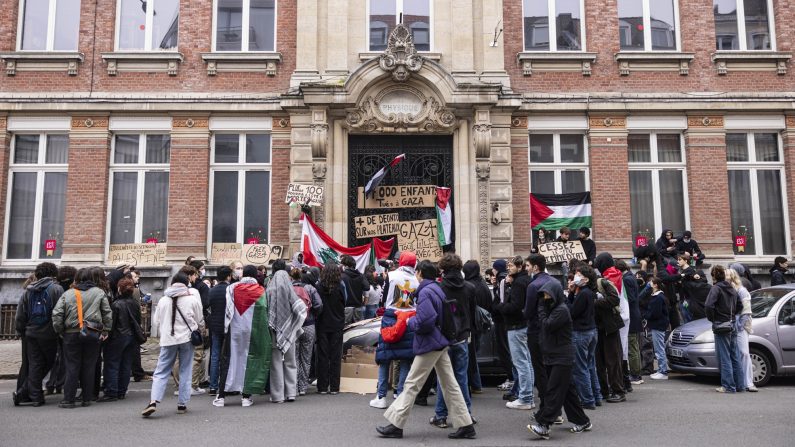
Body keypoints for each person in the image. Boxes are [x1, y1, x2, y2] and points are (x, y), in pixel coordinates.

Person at [377, 260, 476, 440]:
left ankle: (396, 424)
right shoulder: (436, 289)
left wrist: (409, 322)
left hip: (430, 342)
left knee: (412, 383)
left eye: (417, 272)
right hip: (440, 341)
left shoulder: (426, 291)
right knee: (450, 385)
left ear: (420, 273)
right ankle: (466, 424)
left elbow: (425, 320)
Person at [529, 280, 592, 440]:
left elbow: (547, 325)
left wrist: (541, 308)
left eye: (547, 295)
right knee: (568, 393)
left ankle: (544, 425)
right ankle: (582, 421)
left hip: (562, 357)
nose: (544, 298)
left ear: (555, 294)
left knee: (554, 391)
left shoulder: (561, 310)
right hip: (553, 356)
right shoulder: (553, 308)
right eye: (543, 295)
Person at [142, 273, 204, 417]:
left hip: (168, 339)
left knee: (161, 370)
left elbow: (156, 321)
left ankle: (153, 401)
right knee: (185, 369)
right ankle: (182, 404)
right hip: (187, 339)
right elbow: (199, 319)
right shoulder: (192, 299)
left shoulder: (163, 300)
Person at [52, 268, 112, 409]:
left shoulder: (68, 294)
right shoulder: (99, 293)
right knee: (89, 366)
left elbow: (57, 314)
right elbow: (107, 313)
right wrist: (106, 329)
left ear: (76, 279)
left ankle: (69, 400)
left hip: (71, 333)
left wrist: (60, 330)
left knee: (72, 366)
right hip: (92, 333)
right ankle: (87, 398)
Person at [430, 254, 476, 429]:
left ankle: (441, 415)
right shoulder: (469, 288)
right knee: (461, 377)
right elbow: (471, 313)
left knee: (444, 378)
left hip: (444, 337)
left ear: (443, 269)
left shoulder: (439, 288)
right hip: (462, 337)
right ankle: (467, 414)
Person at [213, 265, 270, 407]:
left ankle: (221, 396)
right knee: (248, 362)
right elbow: (264, 311)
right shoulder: (261, 290)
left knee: (228, 361)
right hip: (252, 331)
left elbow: (228, 309)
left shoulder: (231, 288)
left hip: (234, 330)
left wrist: (227, 327)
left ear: (243, 274)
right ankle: (246, 396)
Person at [14, 262, 64, 407]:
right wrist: (59, 330)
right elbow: (59, 312)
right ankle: (25, 392)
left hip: (31, 333)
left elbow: (20, 314)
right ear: (53, 274)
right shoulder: (56, 289)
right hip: (49, 333)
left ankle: (34, 396)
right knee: (50, 362)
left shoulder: (28, 291)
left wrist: (21, 330)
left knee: (35, 364)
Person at [494, 255, 535, 410]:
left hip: (516, 326)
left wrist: (500, 307)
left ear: (519, 267)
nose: (508, 268)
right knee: (527, 362)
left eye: (511, 266)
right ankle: (528, 395)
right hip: (523, 325)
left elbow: (515, 306)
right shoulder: (525, 281)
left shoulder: (519, 283)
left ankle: (525, 398)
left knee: (521, 363)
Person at [267, 269, 307, 403]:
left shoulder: (269, 291)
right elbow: (301, 309)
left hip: (273, 331)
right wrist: (295, 323)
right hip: (290, 331)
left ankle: (278, 396)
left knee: (276, 363)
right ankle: (291, 393)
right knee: (291, 362)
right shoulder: (291, 290)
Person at [370, 291, 416, 409]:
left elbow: (383, 298)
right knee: (406, 359)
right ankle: (401, 395)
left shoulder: (391, 277)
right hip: (408, 318)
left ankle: (381, 397)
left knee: (384, 359)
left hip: (390, 317)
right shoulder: (415, 280)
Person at [100, 277, 142, 402]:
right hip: (131, 337)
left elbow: (111, 324)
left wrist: (106, 336)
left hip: (118, 337)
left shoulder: (116, 304)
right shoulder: (134, 304)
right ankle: (121, 391)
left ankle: (112, 391)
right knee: (126, 364)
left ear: (119, 289)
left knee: (112, 364)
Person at [705, 265, 745, 393]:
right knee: (735, 356)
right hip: (732, 323)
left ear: (713, 276)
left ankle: (728, 386)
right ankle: (740, 385)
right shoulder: (732, 288)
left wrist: (713, 318)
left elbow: (708, 305)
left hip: (721, 324)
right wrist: (732, 315)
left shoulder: (716, 288)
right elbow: (740, 305)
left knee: (725, 357)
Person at [592, 255, 626, 403]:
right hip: (600, 326)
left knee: (612, 360)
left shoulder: (608, 279)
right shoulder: (608, 277)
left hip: (610, 325)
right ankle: (604, 390)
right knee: (600, 361)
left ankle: (618, 391)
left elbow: (614, 299)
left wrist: (595, 302)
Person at [567, 264, 600, 409]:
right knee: (590, 365)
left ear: (586, 279)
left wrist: (569, 296)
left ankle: (587, 400)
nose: (576, 277)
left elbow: (572, 312)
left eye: (579, 274)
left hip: (581, 333)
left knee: (581, 368)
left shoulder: (584, 293)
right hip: (591, 331)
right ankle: (596, 396)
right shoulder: (589, 292)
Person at [523, 253, 552, 409]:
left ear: (535, 267)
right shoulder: (554, 281)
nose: (526, 269)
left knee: (540, 369)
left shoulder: (533, 286)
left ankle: (546, 406)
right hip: (552, 331)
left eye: (528, 266)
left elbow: (528, 312)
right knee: (550, 369)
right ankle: (554, 407)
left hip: (536, 331)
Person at [315, 263, 346, 395]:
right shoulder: (341, 286)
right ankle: (334, 387)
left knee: (322, 355)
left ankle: (322, 386)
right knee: (335, 355)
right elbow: (346, 300)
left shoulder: (319, 286)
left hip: (322, 323)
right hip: (337, 323)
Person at [46, 265, 77, 395]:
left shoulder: (53, 289)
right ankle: (60, 383)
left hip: (53, 327)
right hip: (67, 329)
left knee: (54, 357)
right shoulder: (71, 291)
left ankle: (50, 384)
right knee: (65, 357)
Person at [293, 268, 323, 396]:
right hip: (309, 325)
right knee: (306, 357)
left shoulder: (288, 288)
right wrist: (313, 316)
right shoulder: (310, 288)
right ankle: (303, 386)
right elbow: (319, 305)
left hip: (293, 326)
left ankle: (292, 386)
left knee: (293, 358)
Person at [463, 260, 491, 394]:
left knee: (470, 356)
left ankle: (473, 384)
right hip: (479, 325)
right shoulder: (483, 284)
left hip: (471, 326)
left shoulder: (470, 286)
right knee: (473, 355)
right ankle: (476, 384)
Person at [727, 268, 757, 392]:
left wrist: (739, 326)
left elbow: (746, 311)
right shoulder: (728, 290)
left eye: (726, 275)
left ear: (732, 277)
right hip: (731, 325)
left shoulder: (742, 291)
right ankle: (740, 381)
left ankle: (749, 382)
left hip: (740, 326)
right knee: (736, 354)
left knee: (744, 353)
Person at [207, 266, 232, 395]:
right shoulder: (230, 290)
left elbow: (206, 307)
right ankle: (226, 384)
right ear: (228, 276)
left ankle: (213, 386)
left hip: (215, 326)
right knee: (228, 356)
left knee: (215, 355)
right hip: (228, 326)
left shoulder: (212, 290)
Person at [491, 259, 514, 393]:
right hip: (504, 320)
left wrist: (496, 307)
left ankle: (511, 379)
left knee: (505, 350)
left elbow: (500, 301)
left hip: (501, 321)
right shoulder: (502, 280)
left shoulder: (502, 281)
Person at [189, 260, 211, 393]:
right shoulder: (201, 287)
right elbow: (205, 304)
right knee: (199, 354)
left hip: (182, 325)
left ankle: (181, 383)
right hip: (196, 323)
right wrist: (203, 326)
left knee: (183, 356)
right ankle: (196, 382)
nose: (203, 271)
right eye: (202, 268)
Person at [643, 278, 669, 380]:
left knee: (659, 349)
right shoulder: (658, 296)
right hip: (657, 325)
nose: (649, 284)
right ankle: (661, 370)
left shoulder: (658, 297)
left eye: (651, 282)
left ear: (655, 285)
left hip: (658, 325)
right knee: (658, 348)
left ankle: (663, 371)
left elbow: (655, 313)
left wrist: (646, 315)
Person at [340, 255, 368, 323]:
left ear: (345, 266)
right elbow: (367, 287)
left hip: (346, 308)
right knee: (358, 329)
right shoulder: (360, 276)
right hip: (358, 306)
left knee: (346, 329)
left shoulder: (342, 276)